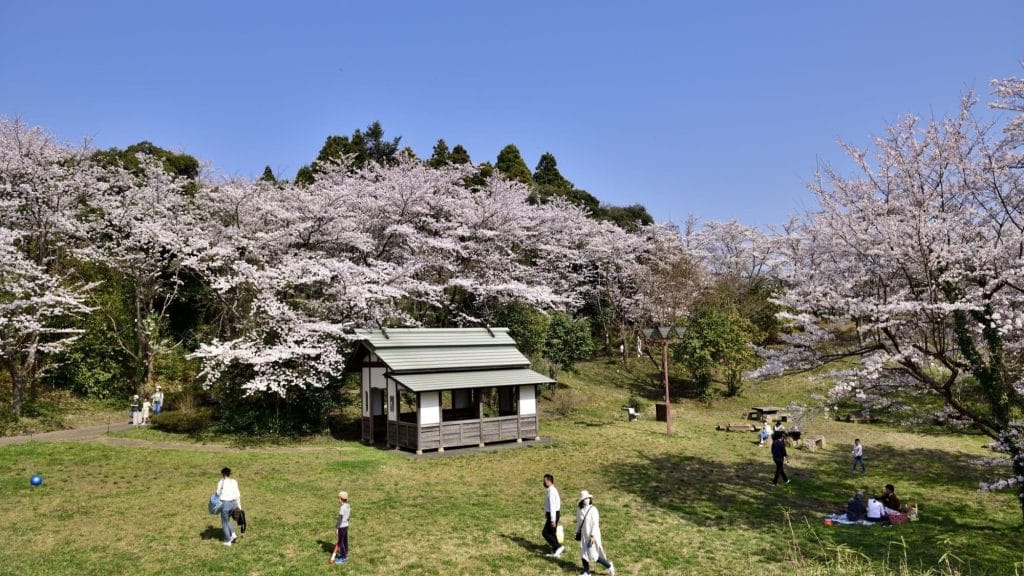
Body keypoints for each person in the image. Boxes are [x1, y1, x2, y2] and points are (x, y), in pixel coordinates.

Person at [575, 490, 615, 576]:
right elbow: (578, 522)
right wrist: (577, 531)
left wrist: (592, 536)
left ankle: (609, 565)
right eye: (585, 499)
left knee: (594, 555)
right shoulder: (579, 510)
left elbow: (595, 524)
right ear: (582, 500)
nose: (587, 500)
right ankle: (586, 571)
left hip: (593, 535)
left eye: (588, 498)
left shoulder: (593, 510)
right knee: (583, 552)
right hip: (584, 535)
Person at [216, 467, 242, 546]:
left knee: (224, 522)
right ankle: (233, 535)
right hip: (233, 504)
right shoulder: (234, 481)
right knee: (227, 520)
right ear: (229, 474)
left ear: (223, 474)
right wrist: (239, 506)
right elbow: (237, 494)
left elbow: (217, 493)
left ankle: (228, 541)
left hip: (225, 504)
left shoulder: (221, 482)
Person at [542, 474, 564, 558]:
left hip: (553, 514)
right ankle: (556, 551)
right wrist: (547, 513)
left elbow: (553, 506)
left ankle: (558, 547)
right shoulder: (552, 490)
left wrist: (553, 520)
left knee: (545, 533)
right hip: (553, 514)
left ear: (549, 481)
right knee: (552, 533)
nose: (543, 482)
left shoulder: (551, 492)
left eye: (545, 481)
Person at [333, 490, 350, 564]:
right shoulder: (348, 506)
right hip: (346, 525)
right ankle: (346, 553)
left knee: (340, 542)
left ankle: (343, 558)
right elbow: (349, 516)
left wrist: (337, 528)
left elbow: (340, 519)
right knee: (345, 540)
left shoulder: (342, 508)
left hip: (342, 527)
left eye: (338, 498)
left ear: (340, 499)